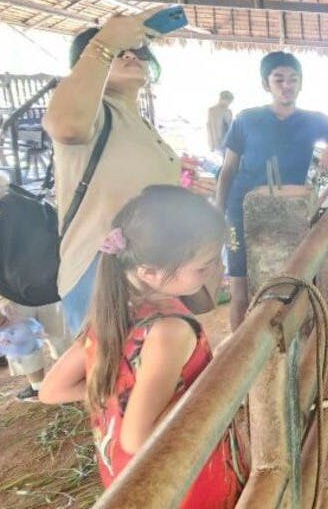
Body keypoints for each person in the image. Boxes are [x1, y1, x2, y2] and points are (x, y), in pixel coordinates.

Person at [39, 186, 245, 508]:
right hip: (181, 481)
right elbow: (137, 438)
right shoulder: (170, 331)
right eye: (203, 267)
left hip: (126, 480)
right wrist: (218, 384)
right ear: (149, 272)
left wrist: (118, 394)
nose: (216, 271)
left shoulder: (112, 313)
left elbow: (51, 390)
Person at [44, 13, 212, 336]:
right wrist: (104, 43)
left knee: (153, 363)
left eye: (138, 51)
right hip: (101, 271)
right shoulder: (93, 114)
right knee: (113, 364)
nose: (131, 55)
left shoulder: (138, 121)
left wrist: (182, 191)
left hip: (152, 267)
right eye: (119, 52)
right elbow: (67, 127)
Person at [215, 51, 328, 330]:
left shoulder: (312, 120)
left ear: (301, 84)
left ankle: (280, 347)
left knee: (287, 282)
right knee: (241, 288)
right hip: (241, 211)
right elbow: (228, 168)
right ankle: (239, 347)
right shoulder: (246, 119)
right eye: (279, 79)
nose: (286, 85)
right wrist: (219, 212)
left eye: (293, 79)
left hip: (289, 212)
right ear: (266, 84)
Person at [0, 299, 69, 401]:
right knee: (56, 330)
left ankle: (40, 387)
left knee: (22, 340)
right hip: (44, 293)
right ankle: (70, 377)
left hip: (12, 296)